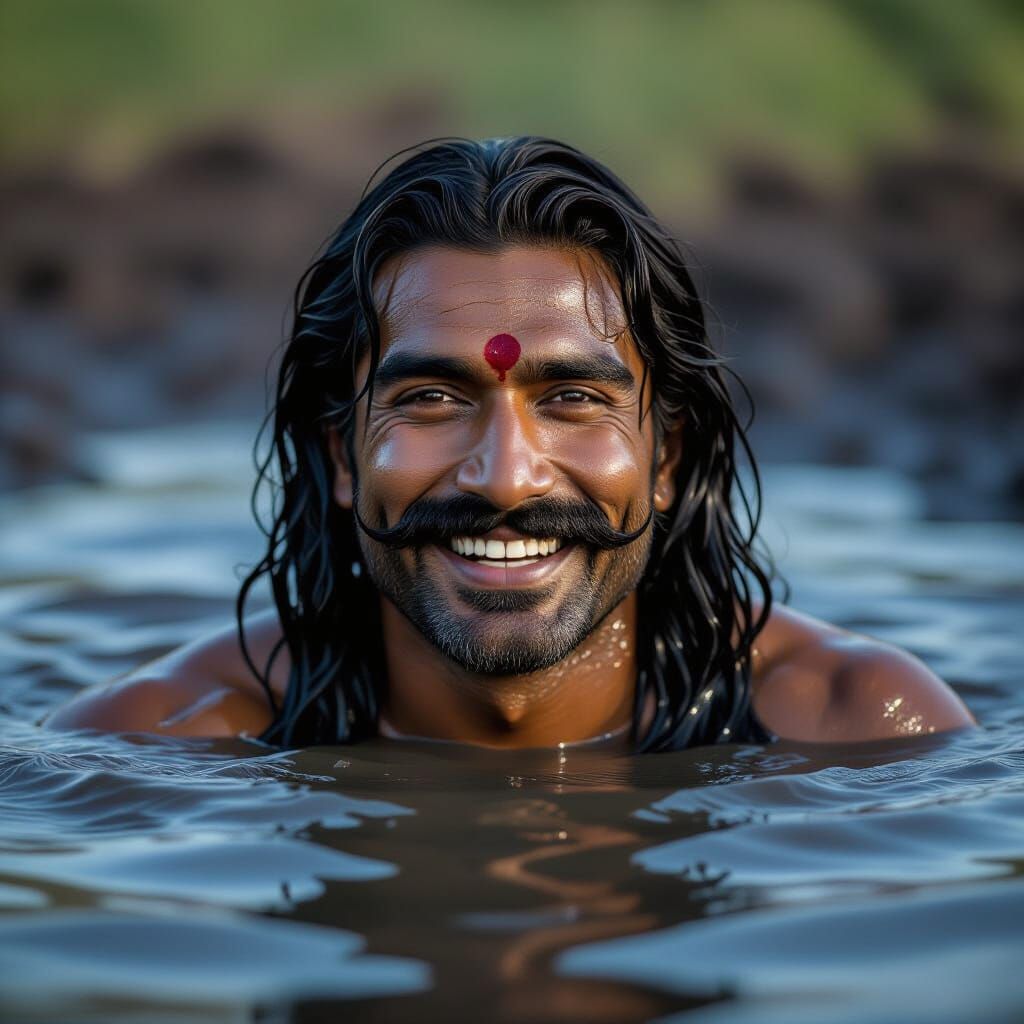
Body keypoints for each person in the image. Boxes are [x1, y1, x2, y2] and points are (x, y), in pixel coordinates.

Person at [48, 137, 975, 751]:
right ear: (341, 458)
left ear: (666, 459)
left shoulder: (861, 729)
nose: (505, 478)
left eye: (572, 398)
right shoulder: (160, 742)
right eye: (430, 398)